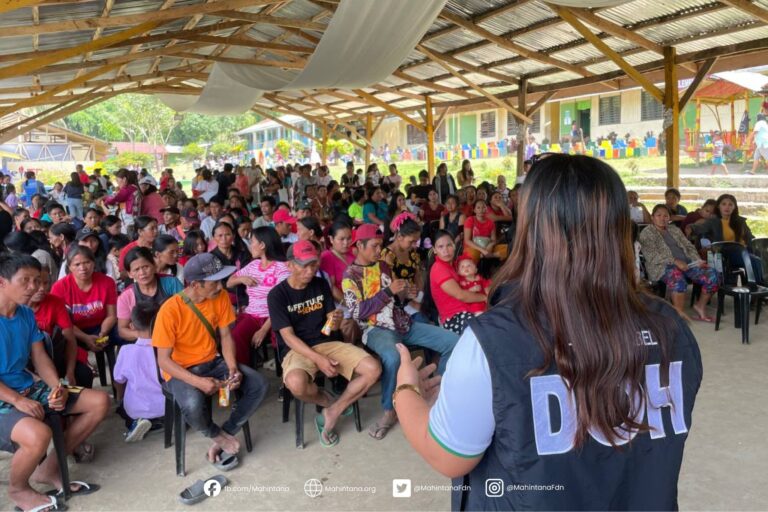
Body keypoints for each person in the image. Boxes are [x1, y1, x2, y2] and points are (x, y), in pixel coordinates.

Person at [394, 153, 703, 510]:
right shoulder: (673, 328)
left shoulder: (492, 341)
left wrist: (406, 391)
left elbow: (448, 457)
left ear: (532, 228)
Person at [0, 254, 109, 512]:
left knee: (99, 402)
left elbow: (39, 356)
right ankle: (18, 488)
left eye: (37, 281)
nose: (33, 287)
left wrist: (55, 386)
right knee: (39, 435)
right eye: (25, 280)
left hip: (28, 387)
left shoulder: (25, 314)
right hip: (6, 397)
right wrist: (18, 400)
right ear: (2, 282)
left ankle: (48, 469)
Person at [152, 253, 268, 469]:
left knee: (258, 385)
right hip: (181, 370)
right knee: (193, 404)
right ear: (196, 284)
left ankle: (227, 431)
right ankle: (217, 435)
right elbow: (164, 361)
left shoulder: (220, 296)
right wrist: (198, 382)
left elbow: (225, 336)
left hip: (213, 362)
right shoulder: (170, 311)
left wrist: (233, 368)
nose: (220, 286)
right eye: (215, 282)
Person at [342, 224, 458, 440]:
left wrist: (405, 293)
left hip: (402, 322)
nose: (379, 250)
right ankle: (389, 410)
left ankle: (438, 392)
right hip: (375, 328)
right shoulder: (350, 276)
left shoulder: (383, 267)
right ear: (359, 245)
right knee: (393, 357)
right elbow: (358, 312)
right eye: (375, 246)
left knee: (454, 342)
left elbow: (396, 300)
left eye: (380, 245)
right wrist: (388, 292)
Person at [267, 240, 381, 446]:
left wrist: (335, 321)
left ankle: (333, 411)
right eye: (304, 265)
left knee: (373, 369)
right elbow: (288, 337)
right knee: (295, 383)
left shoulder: (320, 284)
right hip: (297, 349)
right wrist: (318, 359)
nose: (310, 271)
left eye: (314, 264)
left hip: (327, 342)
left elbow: (330, 325)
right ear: (290, 265)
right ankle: (326, 400)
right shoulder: (277, 295)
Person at [50, 245, 118, 389]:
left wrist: (102, 334)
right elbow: (63, 324)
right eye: (77, 264)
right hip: (74, 330)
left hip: (101, 327)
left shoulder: (107, 282)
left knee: (124, 339)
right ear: (69, 266)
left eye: (87, 262)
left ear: (94, 263)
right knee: (63, 342)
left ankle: (122, 389)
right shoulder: (59, 287)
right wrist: (86, 338)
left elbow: (111, 315)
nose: (83, 268)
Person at [639, 204, 718, 321]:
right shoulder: (647, 233)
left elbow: (688, 245)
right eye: (658, 215)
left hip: (687, 264)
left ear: (670, 218)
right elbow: (652, 256)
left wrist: (697, 260)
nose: (662, 218)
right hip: (662, 267)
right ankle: (679, 315)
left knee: (712, 274)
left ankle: (700, 306)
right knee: (677, 279)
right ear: (652, 217)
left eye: (666, 216)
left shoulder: (674, 229)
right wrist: (675, 261)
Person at [227, 227, 290, 367]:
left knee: (283, 341)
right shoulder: (253, 265)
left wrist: (263, 330)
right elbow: (229, 281)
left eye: (252, 242)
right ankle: (243, 373)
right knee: (235, 337)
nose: (250, 246)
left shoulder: (282, 268)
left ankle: (287, 376)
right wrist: (242, 279)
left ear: (262, 245)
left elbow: (280, 304)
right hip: (252, 315)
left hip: (274, 317)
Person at [113, 302, 165, 443]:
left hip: (136, 409)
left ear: (132, 327)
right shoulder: (167, 348)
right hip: (167, 405)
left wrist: (120, 399)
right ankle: (163, 421)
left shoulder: (126, 351)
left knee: (122, 410)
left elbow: (118, 379)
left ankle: (135, 423)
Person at [117, 247, 183, 341]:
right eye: (136, 269)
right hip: (145, 342)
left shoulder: (172, 283)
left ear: (154, 266)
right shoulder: (125, 297)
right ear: (130, 274)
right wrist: (143, 334)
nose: (142, 273)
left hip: (175, 335)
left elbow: (187, 311)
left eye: (145, 267)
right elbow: (122, 330)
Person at [428, 231, 487, 334]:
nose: (446, 250)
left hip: (468, 309)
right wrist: (486, 297)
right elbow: (460, 295)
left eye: (449, 245)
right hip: (454, 318)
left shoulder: (457, 265)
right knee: (486, 328)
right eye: (440, 247)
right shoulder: (438, 268)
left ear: (454, 246)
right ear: (434, 250)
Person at [320, 221, 360, 344]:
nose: (346, 243)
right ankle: (348, 351)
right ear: (331, 239)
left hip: (357, 299)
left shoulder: (352, 253)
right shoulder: (327, 257)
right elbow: (332, 288)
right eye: (341, 239)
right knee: (349, 321)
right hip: (340, 302)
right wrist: (351, 304)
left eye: (349, 238)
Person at [380, 214, 424, 321]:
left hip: (413, 299)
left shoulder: (412, 252)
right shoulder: (387, 256)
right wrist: (410, 298)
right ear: (399, 237)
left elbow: (418, 276)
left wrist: (419, 293)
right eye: (411, 241)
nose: (415, 245)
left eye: (416, 241)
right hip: (397, 302)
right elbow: (392, 286)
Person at [463, 199, 502, 263]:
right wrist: (483, 250)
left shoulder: (491, 222)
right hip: (473, 247)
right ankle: (490, 256)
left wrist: (490, 245)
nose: (481, 210)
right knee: (473, 255)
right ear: (474, 210)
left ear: (487, 209)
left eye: (483, 207)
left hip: (487, 246)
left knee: (504, 251)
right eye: (478, 207)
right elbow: (467, 240)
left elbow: (494, 240)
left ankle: (487, 256)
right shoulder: (470, 220)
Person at [104, 169, 141, 234]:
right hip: (133, 216)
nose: (117, 183)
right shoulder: (134, 187)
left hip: (128, 217)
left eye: (118, 180)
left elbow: (112, 200)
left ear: (124, 179)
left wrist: (106, 199)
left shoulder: (127, 189)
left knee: (126, 235)